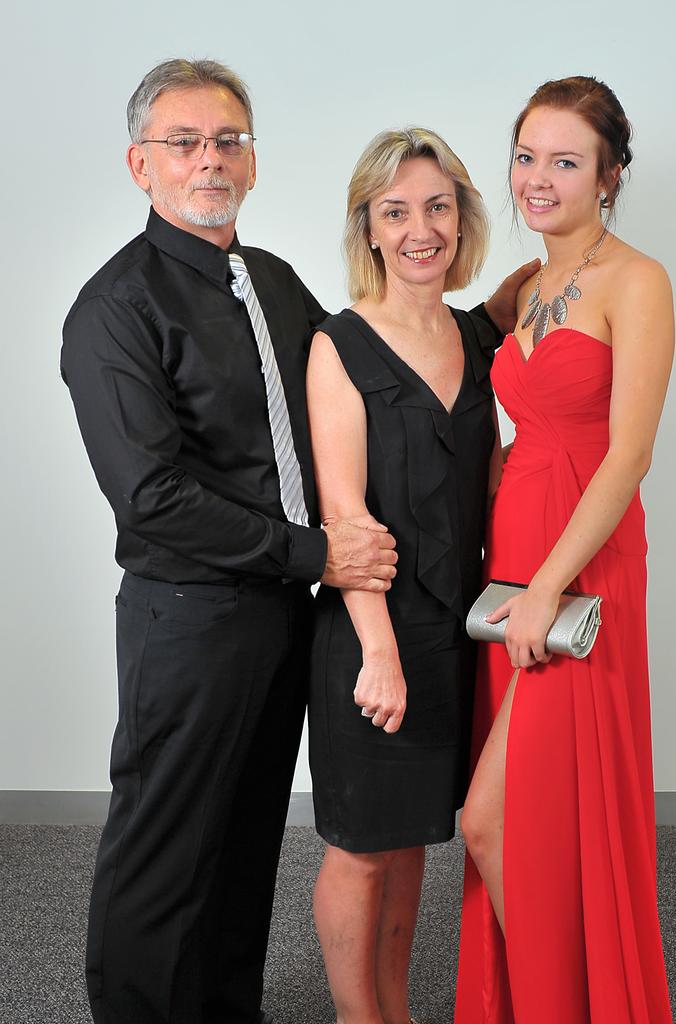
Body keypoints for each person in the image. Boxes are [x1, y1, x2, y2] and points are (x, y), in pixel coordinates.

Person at [61, 59, 533, 1024]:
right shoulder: (115, 308)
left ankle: (229, 1007)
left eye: (228, 140)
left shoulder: (272, 284)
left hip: (285, 615)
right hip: (191, 617)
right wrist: (321, 556)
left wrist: (489, 319)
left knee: (243, 838)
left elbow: (380, 368)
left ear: (252, 160)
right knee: (164, 842)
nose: (210, 160)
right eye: (184, 143)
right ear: (139, 164)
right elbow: (151, 497)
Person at [455, 76, 676, 1024]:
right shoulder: (527, 287)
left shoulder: (639, 280)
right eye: (526, 155)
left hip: (578, 570)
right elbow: (517, 410)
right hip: (514, 557)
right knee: (536, 820)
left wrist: (547, 588)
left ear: (610, 175)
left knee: (489, 820)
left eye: (565, 161)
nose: (537, 179)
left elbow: (627, 455)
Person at [305, 128, 506, 1024]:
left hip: (458, 631)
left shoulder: (474, 334)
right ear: (371, 229)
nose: (421, 228)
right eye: (398, 211)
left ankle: (396, 1011)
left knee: (416, 837)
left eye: (438, 206)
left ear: (461, 219)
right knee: (361, 847)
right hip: (371, 632)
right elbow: (345, 519)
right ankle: (359, 1018)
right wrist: (377, 654)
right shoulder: (338, 345)